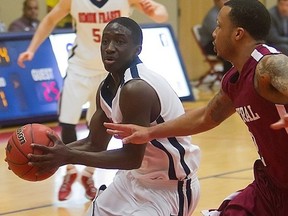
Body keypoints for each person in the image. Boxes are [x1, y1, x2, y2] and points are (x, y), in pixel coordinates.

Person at [104, 0, 288, 215]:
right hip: (271, 184)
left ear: (238, 34)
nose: (213, 32)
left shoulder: (268, 64)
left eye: (219, 26)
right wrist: (149, 132)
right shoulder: (234, 79)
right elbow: (206, 117)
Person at [27, 17, 201, 216]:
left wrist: (68, 156)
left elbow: (130, 158)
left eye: (119, 41)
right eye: (105, 41)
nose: (109, 48)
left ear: (137, 50)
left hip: (169, 189)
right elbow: (95, 143)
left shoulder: (137, 88)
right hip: (131, 180)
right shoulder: (107, 86)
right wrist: (50, 154)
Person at [17, 0, 168, 202]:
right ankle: (69, 170)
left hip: (112, 72)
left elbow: (162, 15)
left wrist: (156, 10)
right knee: (67, 121)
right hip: (79, 68)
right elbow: (50, 19)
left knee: (99, 129)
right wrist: (31, 49)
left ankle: (88, 175)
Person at [199, 0, 232, 73]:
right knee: (231, 51)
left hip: (221, 41)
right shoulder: (212, 16)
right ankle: (228, 79)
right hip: (210, 44)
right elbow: (221, 35)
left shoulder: (226, 12)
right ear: (216, 2)